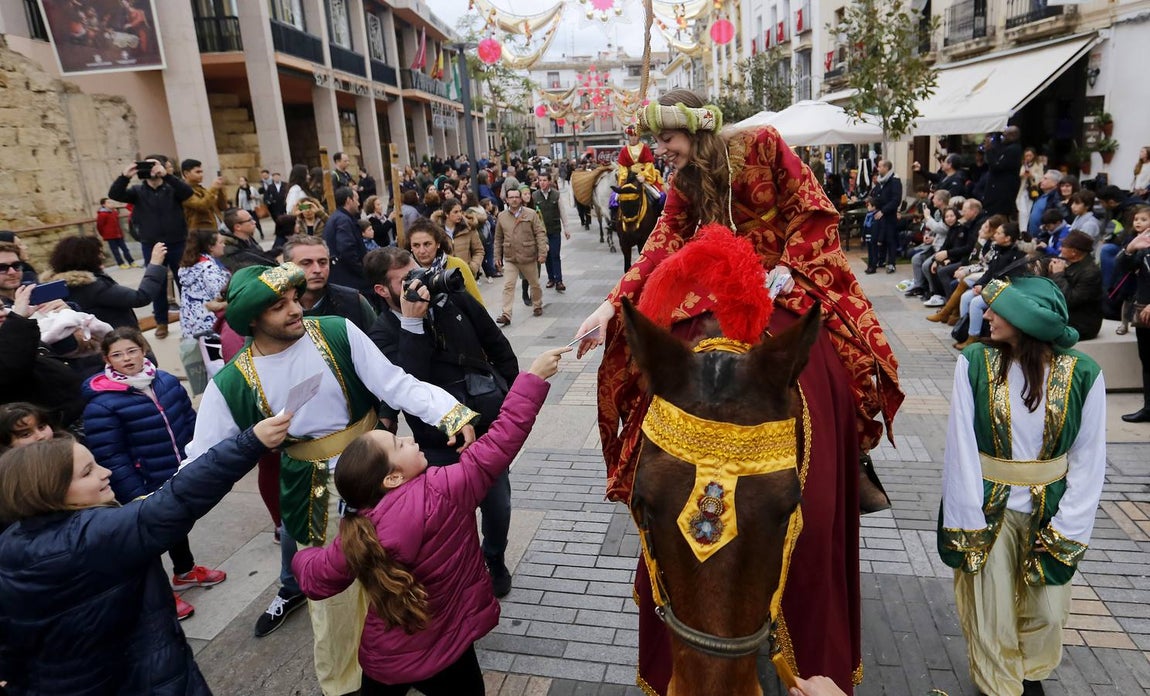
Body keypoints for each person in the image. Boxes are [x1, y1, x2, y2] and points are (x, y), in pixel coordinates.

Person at [575, 90, 903, 693]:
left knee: (831, 362)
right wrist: (609, 304)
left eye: (668, 139)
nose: (661, 152)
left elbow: (813, 214)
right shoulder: (681, 179)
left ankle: (847, 461)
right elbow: (663, 244)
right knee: (653, 354)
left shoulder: (762, 146)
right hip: (717, 285)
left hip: (784, 279)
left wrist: (788, 268)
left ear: (697, 128)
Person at [184, 262, 479, 695]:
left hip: (383, 478)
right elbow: (201, 459)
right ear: (252, 319)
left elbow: (393, 382)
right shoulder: (230, 383)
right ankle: (347, 684)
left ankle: (430, 660)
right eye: (277, 306)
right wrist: (155, 509)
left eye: (292, 298)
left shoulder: (337, 331)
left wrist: (446, 411)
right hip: (311, 494)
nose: (294, 309)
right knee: (335, 603)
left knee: (408, 573)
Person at [292, 347, 563, 696]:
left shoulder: (358, 531)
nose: (407, 437)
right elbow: (501, 440)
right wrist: (532, 379)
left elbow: (317, 578)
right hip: (449, 646)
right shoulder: (445, 490)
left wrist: (300, 558)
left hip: (388, 656)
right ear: (391, 478)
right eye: (397, 443)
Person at [0, 411, 292, 695]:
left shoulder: (10, 543)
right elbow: (176, 500)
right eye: (88, 472)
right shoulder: (94, 535)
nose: (106, 473)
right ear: (50, 489)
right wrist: (250, 442)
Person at [939, 275, 1106, 696]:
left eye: (999, 310)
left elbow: (1089, 457)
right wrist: (965, 514)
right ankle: (1000, 685)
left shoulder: (1083, 372)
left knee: (1049, 610)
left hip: (1052, 505)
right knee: (989, 608)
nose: (988, 315)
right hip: (987, 503)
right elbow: (960, 444)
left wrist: (1072, 524)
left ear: (1026, 320)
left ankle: (1030, 673)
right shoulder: (974, 362)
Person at [365, 246, 522, 596]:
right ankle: (465, 572)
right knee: (452, 519)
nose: (419, 282)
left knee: (499, 507)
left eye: (417, 271)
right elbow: (410, 384)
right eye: (405, 280)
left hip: (484, 428)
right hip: (437, 445)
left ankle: (494, 558)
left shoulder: (452, 298)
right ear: (381, 290)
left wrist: (512, 394)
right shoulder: (382, 333)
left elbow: (496, 344)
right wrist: (411, 323)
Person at [81, 326, 221, 621]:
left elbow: (189, 418)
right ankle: (159, 592)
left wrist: (196, 455)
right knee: (147, 537)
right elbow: (110, 454)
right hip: (141, 481)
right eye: (117, 355)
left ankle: (184, 572)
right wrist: (133, 489)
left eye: (132, 350)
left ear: (143, 349)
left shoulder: (166, 381)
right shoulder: (102, 403)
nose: (127, 359)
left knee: (177, 522)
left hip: (176, 469)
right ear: (107, 360)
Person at [108, 157, 194, 339]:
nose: (150, 170)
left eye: (153, 165)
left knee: (185, 282)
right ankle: (162, 322)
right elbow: (115, 194)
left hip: (178, 242)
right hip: (151, 244)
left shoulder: (172, 187)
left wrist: (167, 175)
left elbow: (187, 192)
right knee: (157, 283)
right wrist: (124, 176)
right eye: (146, 166)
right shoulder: (137, 191)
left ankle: (191, 319)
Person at [0, 285, 86, 431]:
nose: (2, 314)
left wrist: (68, 314)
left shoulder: (19, 334)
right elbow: (11, 368)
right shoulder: (16, 334)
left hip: (77, 418)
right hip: (44, 433)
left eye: (2, 308)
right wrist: (19, 319)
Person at [45, 235, 167, 330]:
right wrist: (155, 264)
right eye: (98, 253)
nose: (102, 257)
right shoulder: (94, 287)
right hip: (119, 341)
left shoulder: (58, 287)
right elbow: (140, 297)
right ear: (87, 258)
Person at [282, 234, 377, 332]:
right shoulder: (275, 309)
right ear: (287, 267)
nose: (317, 270)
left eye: (322, 262)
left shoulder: (354, 302)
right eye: (306, 263)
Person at [494, 187, 547, 325]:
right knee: (508, 285)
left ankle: (537, 305)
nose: (514, 199)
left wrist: (542, 252)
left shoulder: (531, 214)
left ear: (521, 198)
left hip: (528, 256)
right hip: (511, 258)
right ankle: (506, 314)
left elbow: (539, 233)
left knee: (534, 284)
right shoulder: (502, 216)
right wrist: (497, 256)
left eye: (516, 197)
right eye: (511, 197)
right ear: (506, 199)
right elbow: (498, 238)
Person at [1114, 223, 1150, 422]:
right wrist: (1130, 249)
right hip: (1144, 313)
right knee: (1147, 360)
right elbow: (1122, 267)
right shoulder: (1144, 247)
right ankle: (1148, 408)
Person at [404, 218, 484, 304]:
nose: (422, 251)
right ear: (410, 247)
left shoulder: (457, 265)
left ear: (438, 243)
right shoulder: (407, 272)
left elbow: (477, 302)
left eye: (427, 244)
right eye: (416, 245)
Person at [1047, 230, 1103, 341]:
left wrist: (1058, 275)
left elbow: (1069, 300)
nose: (1059, 249)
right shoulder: (1073, 266)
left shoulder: (1091, 273)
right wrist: (1050, 273)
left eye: (1063, 246)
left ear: (1074, 252)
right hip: (1066, 318)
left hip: (1081, 325)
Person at [177, 228, 230, 340]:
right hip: (212, 328)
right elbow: (222, 295)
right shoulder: (209, 269)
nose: (224, 245)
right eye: (220, 242)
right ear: (210, 247)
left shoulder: (188, 267)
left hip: (191, 327)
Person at [324, 186, 371, 296]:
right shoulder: (343, 220)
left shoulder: (338, 217)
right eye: (357, 199)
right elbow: (346, 250)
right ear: (349, 200)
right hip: (349, 279)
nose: (359, 204)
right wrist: (362, 270)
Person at [533, 172, 571, 291]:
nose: (542, 183)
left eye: (544, 180)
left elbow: (562, 211)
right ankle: (551, 278)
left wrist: (566, 228)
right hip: (541, 232)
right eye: (540, 180)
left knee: (555, 254)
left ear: (549, 181)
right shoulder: (534, 196)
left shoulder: (556, 195)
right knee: (547, 255)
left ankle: (559, 280)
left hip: (554, 229)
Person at [866, 160, 902, 274]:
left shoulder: (894, 181)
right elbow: (876, 195)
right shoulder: (880, 182)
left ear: (886, 168)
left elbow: (896, 200)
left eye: (880, 166)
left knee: (890, 239)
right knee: (877, 239)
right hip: (878, 215)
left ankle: (891, 263)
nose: (878, 168)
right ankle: (878, 261)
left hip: (889, 215)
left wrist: (883, 211)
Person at [180, 159, 227, 232]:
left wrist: (220, 190)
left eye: (202, 172)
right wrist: (213, 188)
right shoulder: (183, 191)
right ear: (186, 173)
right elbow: (202, 206)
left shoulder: (201, 189)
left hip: (214, 229)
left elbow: (222, 206)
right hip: (199, 233)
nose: (201, 175)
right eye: (197, 172)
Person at [96, 198, 135, 268]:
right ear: (103, 205)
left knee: (125, 249)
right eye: (109, 203)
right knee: (115, 251)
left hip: (119, 234)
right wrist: (104, 234)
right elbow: (99, 226)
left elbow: (117, 223)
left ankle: (131, 261)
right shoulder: (102, 214)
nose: (111, 204)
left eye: (112, 202)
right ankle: (121, 263)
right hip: (110, 236)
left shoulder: (114, 212)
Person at [1017, 148, 1045, 233]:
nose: (1028, 157)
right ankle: (1022, 230)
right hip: (1023, 189)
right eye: (1026, 156)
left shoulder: (1038, 165)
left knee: (1028, 210)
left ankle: (1025, 230)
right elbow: (1021, 175)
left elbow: (1040, 177)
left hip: (1032, 189)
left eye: (1030, 155)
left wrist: (1031, 175)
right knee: (1022, 210)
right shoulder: (1024, 164)